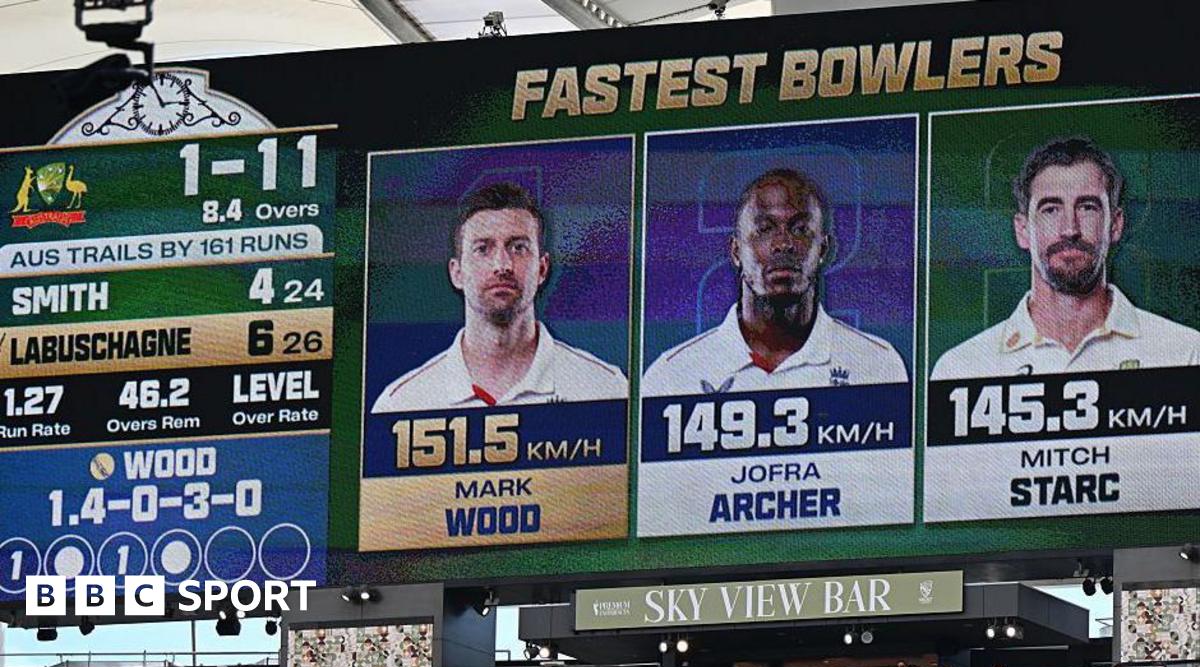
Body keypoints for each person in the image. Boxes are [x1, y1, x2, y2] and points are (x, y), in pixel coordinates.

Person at [932, 137, 1200, 379]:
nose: (1070, 229)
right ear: (1023, 230)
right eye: (1050, 209)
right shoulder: (963, 368)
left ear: (1115, 224)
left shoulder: (1182, 353)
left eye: (1087, 207)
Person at [642, 168, 908, 396]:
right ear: (736, 251)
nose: (783, 244)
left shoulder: (876, 366)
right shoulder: (672, 377)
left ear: (823, 250)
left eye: (800, 229)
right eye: (765, 229)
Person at [372, 182, 627, 412]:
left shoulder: (604, 389)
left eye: (518, 248)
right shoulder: (402, 404)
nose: (502, 265)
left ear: (542, 268)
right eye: (483, 249)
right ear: (456, 272)